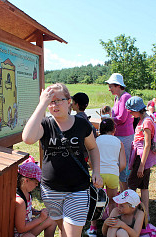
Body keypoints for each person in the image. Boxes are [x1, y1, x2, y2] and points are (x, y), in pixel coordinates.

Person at [22, 83, 103, 237]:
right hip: (51, 190)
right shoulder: (45, 124)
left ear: (68, 101)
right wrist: (41, 104)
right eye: (50, 101)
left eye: (59, 100)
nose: (55, 104)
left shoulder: (81, 124)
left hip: (78, 188)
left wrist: (97, 171)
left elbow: (93, 148)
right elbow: (27, 138)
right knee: (63, 230)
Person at [86, 118, 126, 237]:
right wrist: (115, 171)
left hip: (98, 173)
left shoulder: (96, 140)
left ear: (100, 130)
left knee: (95, 200)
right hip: (113, 174)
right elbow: (123, 164)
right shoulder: (118, 142)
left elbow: (90, 160)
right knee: (112, 202)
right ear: (114, 129)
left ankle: (93, 228)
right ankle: (110, 226)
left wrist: (95, 170)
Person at [125, 96, 156, 218]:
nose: (131, 114)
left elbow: (147, 144)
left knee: (131, 185)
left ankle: (128, 213)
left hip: (142, 158)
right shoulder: (143, 119)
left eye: (131, 111)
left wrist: (141, 166)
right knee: (144, 187)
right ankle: (145, 214)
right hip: (143, 157)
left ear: (138, 109)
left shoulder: (146, 122)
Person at [105, 73, 134, 192]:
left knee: (124, 165)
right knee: (119, 164)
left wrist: (106, 120)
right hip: (118, 135)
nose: (109, 88)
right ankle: (123, 192)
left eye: (111, 86)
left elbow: (121, 118)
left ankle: (126, 194)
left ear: (118, 86)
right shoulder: (117, 98)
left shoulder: (125, 97)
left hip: (125, 136)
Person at [14, 162, 57, 237]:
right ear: (26, 180)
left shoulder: (27, 192)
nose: (37, 185)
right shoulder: (20, 201)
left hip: (28, 228)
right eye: (36, 182)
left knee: (52, 219)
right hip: (21, 234)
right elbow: (20, 229)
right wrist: (40, 219)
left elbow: (27, 209)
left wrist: (37, 212)